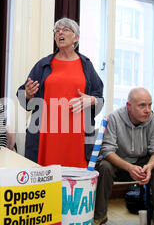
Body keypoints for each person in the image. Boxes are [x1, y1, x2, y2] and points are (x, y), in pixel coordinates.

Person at [93, 88, 154, 225]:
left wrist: (149, 166)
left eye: (149, 105)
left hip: (142, 163)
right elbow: (107, 151)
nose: (147, 110)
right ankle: (99, 217)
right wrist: (129, 168)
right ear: (128, 105)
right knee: (104, 167)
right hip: (118, 163)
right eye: (142, 106)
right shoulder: (113, 118)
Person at [16, 18, 103, 167]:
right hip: (46, 134)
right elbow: (23, 94)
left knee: (73, 183)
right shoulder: (44, 64)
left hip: (76, 135)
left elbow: (99, 98)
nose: (60, 32)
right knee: (45, 179)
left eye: (65, 29)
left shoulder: (86, 66)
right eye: (57, 30)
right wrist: (28, 95)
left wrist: (92, 100)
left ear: (76, 38)